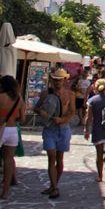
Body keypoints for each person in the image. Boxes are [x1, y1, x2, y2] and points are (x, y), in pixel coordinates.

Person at [35, 69, 75, 199]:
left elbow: (72, 111)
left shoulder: (70, 94)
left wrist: (62, 119)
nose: (58, 82)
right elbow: (36, 107)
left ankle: (53, 185)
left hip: (63, 129)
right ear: (52, 80)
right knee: (51, 156)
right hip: (49, 129)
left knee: (59, 158)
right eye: (56, 79)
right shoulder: (45, 94)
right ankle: (54, 187)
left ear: (65, 80)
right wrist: (42, 113)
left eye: (60, 79)